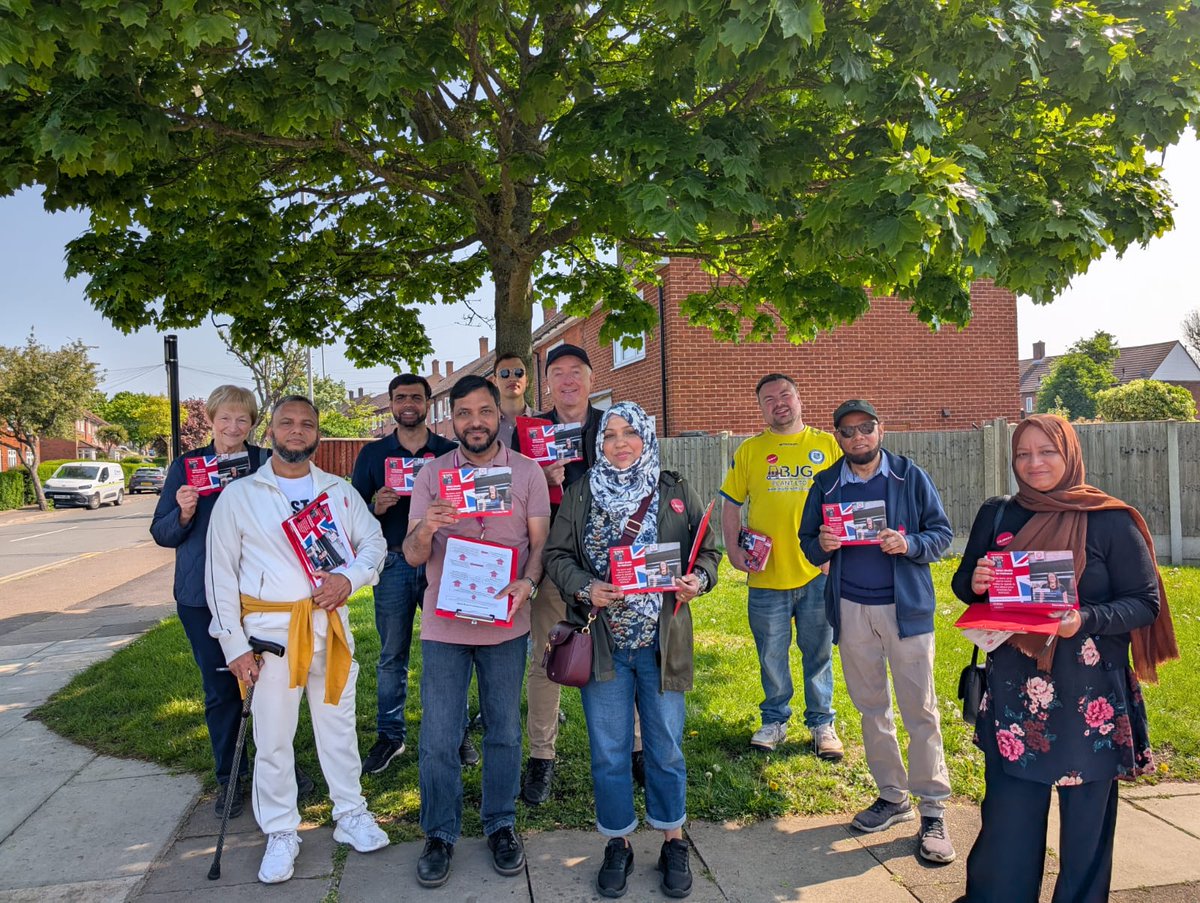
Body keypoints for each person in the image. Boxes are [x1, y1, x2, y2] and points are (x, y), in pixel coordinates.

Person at [951, 414, 1178, 903]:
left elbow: (1144, 602)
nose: (1034, 463)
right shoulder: (998, 514)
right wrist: (977, 582)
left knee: (1086, 833)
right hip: (1015, 694)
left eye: (1047, 451)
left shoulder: (1109, 519)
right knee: (1008, 824)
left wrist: (1083, 620)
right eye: (1023, 454)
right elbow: (963, 582)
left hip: (1089, 697)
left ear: (1070, 453)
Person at [206, 396, 390, 884]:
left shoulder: (339, 492)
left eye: (306, 424)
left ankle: (349, 813)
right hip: (268, 638)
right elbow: (218, 576)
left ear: (317, 436)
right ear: (269, 431)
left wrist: (349, 579)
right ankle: (281, 830)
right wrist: (234, 647)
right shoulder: (240, 496)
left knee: (338, 728)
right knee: (272, 739)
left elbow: (375, 544)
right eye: (286, 422)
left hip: (328, 630)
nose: (296, 430)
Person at [544, 401, 720, 899]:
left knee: (665, 748)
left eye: (629, 433)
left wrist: (698, 579)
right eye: (609, 435)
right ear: (597, 445)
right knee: (609, 752)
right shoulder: (580, 493)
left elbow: (707, 551)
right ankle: (617, 842)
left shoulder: (673, 489)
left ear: (646, 437)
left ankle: (672, 838)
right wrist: (585, 587)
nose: (619, 443)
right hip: (602, 644)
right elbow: (556, 556)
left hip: (659, 644)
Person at [404, 375, 551, 888]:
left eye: (484, 411)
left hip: (505, 623)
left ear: (499, 416)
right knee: (439, 735)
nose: (475, 422)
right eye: (463, 413)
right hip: (445, 624)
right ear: (451, 421)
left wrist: (528, 585)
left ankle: (500, 824)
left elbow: (540, 548)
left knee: (505, 731)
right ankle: (439, 833)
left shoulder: (528, 473)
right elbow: (412, 555)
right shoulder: (431, 476)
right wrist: (427, 526)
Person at [799, 399, 956, 864]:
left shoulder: (910, 476)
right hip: (851, 610)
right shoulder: (825, 483)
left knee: (920, 710)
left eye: (865, 428)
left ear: (880, 430)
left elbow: (942, 534)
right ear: (837, 438)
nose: (857, 437)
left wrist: (909, 543)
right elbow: (808, 543)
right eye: (847, 432)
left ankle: (932, 807)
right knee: (872, 709)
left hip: (905, 610)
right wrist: (821, 544)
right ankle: (893, 795)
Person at [150, 384, 285, 818]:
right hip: (200, 598)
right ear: (210, 420)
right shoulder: (187, 466)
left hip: (259, 594)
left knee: (271, 688)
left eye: (242, 419)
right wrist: (185, 511)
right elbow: (162, 533)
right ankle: (231, 778)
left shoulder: (266, 462)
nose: (232, 427)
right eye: (224, 418)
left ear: (253, 423)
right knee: (222, 690)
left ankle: (276, 773)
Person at [719, 373, 843, 758]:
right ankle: (775, 720)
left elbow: (846, 501)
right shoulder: (752, 450)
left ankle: (822, 723)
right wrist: (732, 547)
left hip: (816, 573)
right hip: (766, 574)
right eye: (768, 399)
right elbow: (730, 503)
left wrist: (834, 557)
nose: (778, 403)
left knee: (818, 651)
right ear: (760, 408)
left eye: (785, 395)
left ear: (800, 398)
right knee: (771, 654)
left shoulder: (826, 445)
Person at [510, 343, 607, 804]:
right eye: (558, 373)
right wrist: (538, 480)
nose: (567, 381)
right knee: (548, 654)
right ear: (546, 383)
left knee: (618, 654)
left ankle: (634, 749)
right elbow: (509, 495)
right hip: (551, 555)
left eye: (576, 372)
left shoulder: (614, 425)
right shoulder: (529, 432)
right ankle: (541, 759)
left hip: (608, 559)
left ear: (590, 378)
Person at [350, 374, 461, 775]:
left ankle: (456, 733)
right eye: (401, 398)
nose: (408, 404)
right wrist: (374, 506)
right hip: (394, 562)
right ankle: (390, 735)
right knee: (391, 655)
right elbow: (351, 512)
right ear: (393, 405)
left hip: (442, 563)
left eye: (416, 397)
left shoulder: (450, 451)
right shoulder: (373, 454)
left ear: (429, 403)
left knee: (450, 652)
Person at [491, 352, 534, 446]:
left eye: (518, 372)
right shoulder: (486, 426)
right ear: (495, 381)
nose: (512, 378)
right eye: (504, 373)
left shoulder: (545, 423)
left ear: (527, 380)